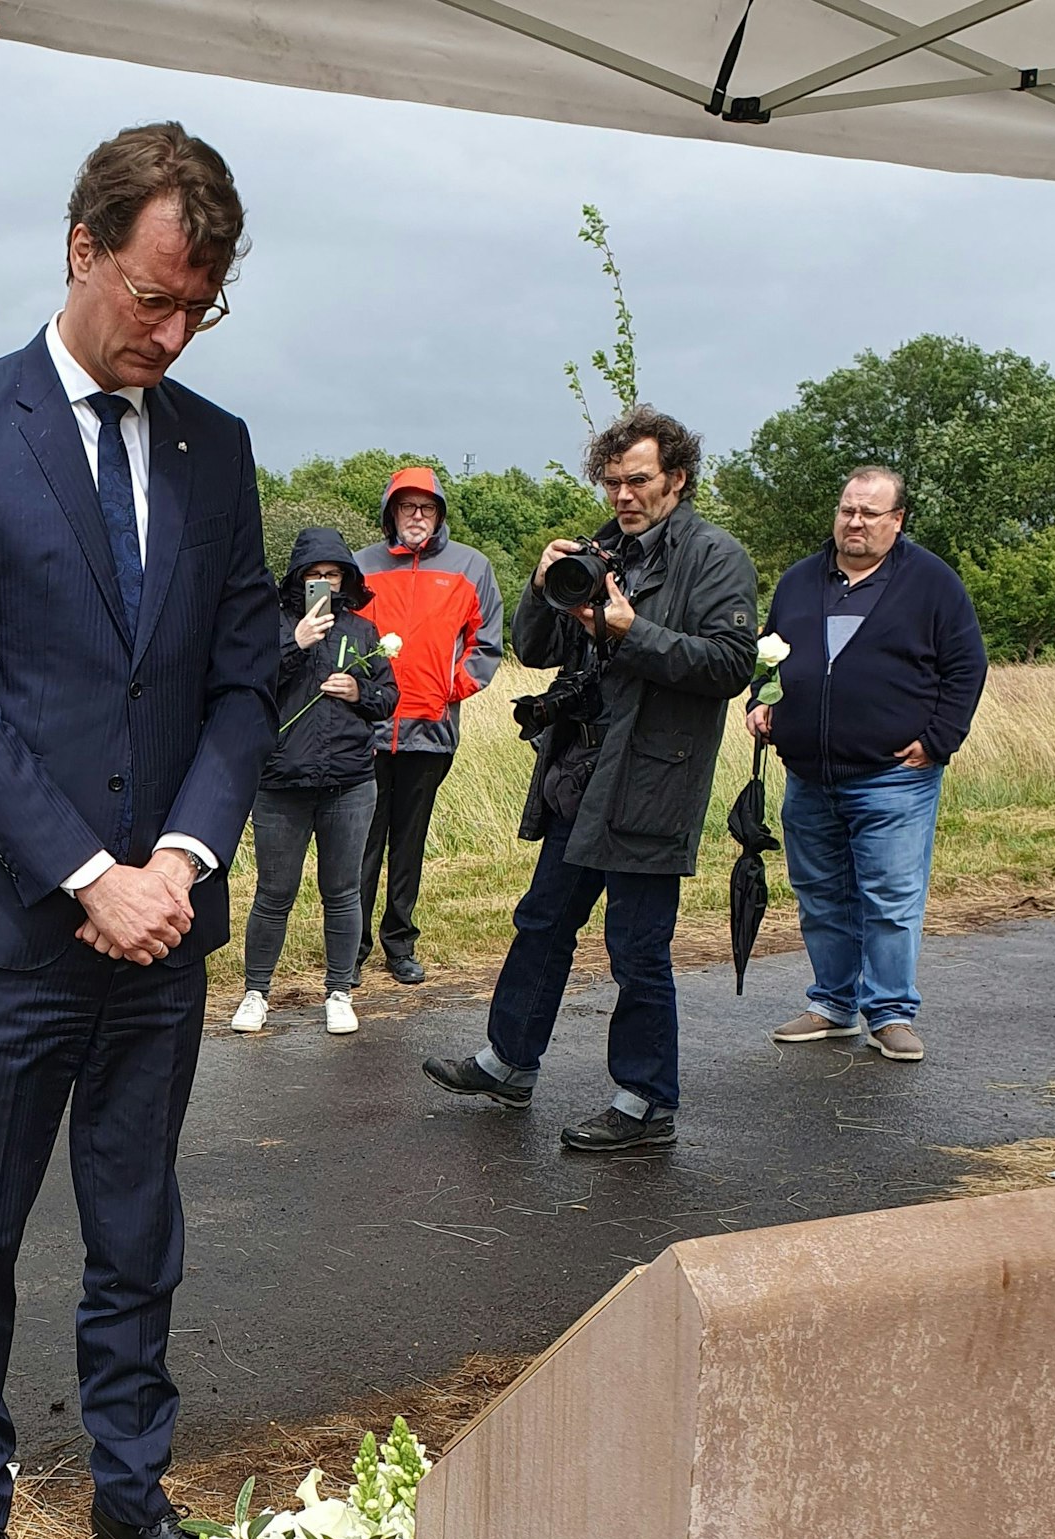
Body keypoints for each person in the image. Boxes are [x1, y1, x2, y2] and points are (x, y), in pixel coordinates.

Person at [0, 124, 275, 1539]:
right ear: (81, 249)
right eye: (153, 299)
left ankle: (129, 1485)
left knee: (138, 1223)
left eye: (199, 313)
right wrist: (85, 874)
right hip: (9, 930)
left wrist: (178, 857)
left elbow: (246, 681)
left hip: (161, 931)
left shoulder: (214, 446)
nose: (169, 337)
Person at [423, 406, 757, 1152]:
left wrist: (630, 632)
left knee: (637, 946)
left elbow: (730, 666)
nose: (622, 495)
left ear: (676, 477)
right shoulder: (601, 549)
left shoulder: (714, 556)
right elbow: (538, 649)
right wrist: (546, 586)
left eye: (637, 480)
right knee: (542, 920)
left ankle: (646, 1100)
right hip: (582, 769)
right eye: (611, 482)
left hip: (653, 776)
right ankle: (509, 1063)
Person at [749, 467, 988, 1062]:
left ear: (897, 520)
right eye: (847, 510)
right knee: (821, 893)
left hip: (893, 777)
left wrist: (939, 740)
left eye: (870, 513)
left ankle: (890, 1013)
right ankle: (832, 1005)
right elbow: (767, 652)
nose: (855, 523)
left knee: (889, 897)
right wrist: (758, 700)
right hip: (807, 771)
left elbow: (967, 666)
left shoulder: (931, 582)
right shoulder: (802, 580)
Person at [230, 529, 398, 1037]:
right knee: (274, 893)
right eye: (314, 575)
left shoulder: (364, 631)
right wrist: (295, 642)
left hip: (349, 781)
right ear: (297, 579)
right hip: (280, 782)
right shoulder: (272, 626)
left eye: (332, 574)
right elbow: (247, 684)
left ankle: (340, 992)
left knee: (343, 891)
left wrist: (358, 690)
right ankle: (256, 992)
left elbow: (388, 698)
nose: (324, 582)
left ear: (346, 579)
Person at [353, 467, 502, 985]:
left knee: (409, 843)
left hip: (430, 729)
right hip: (368, 729)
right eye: (406, 507)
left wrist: (447, 690)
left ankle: (399, 943)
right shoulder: (361, 567)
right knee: (362, 843)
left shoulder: (471, 567)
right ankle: (352, 946)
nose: (417, 517)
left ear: (439, 513)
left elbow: (486, 645)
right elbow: (343, 638)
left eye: (427, 508)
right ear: (391, 512)